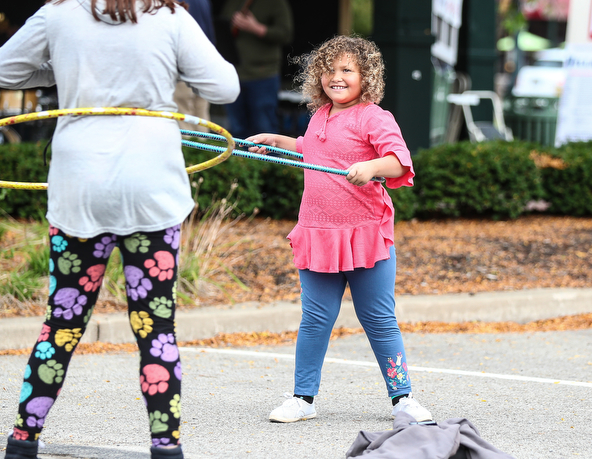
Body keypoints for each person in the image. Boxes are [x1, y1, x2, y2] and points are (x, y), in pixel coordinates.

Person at [0, 1, 239, 458]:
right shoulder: (168, 17)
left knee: (62, 326)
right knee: (156, 330)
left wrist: (67, 74)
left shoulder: (58, 14)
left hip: (80, 185)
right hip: (150, 185)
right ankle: (166, 448)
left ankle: (22, 442)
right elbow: (224, 87)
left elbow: (6, 71)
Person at [245, 35, 432, 424]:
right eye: (329, 70)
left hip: (364, 235)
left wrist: (372, 168)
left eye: (347, 70)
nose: (337, 77)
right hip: (318, 233)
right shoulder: (319, 116)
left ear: (367, 76)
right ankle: (302, 398)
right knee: (314, 319)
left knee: (379, 319)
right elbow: (312, 149)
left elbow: (399, 162)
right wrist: (277, 142)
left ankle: (403, 399)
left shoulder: (374, 117)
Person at [219, 0, 293, 139]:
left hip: (263, 74)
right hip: (234, 74)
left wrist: (255, 27)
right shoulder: (232, 3)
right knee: (236, 128)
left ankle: (269, 161)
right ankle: (240, 160)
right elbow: (222, 27)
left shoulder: (277, 3)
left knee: (264, 128)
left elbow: (286, 34)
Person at [173, 0, 216, 132]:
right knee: (202, 120)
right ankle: (206, 152)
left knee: (184, 120)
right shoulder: (203, 1)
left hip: (181, 68)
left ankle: (190, 152)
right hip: (204, 66)